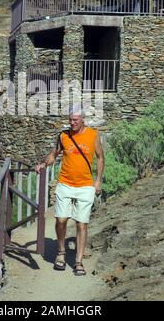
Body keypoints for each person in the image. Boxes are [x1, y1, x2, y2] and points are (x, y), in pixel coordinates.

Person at [36, 106, 105, 276]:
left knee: (82, 224)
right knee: (61, 220)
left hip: (85, 186)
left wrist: (97, 182)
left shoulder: (93, 135)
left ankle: (78, 262)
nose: (72, 123)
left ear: (83, 119)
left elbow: (100, 157)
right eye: (70, 120)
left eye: (75, 120)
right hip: (65, 184)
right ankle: (61, 253)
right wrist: (44, 164)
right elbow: (54, 154)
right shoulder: (63, 136)